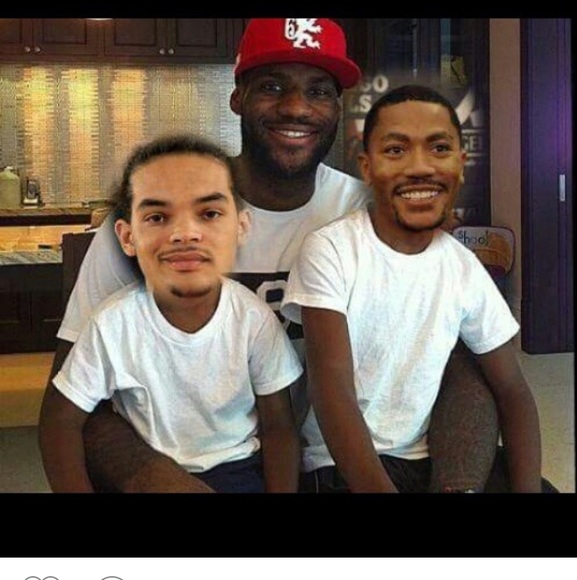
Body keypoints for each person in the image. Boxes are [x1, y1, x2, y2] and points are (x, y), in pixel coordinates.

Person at [47, 18, 500, 493]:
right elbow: (73, 399)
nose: (296, 107)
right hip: (194, 464)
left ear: (338, 107)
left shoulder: (375, 214)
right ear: (237, 97)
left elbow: (460, 362)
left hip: (343, 461)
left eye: (318, 90)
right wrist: (153, 476)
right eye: (272, 86)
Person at [280, 84, 549, 493]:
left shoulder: (461, 267)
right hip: (341, 464)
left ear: (460, 164)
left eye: (439, 148)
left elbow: (512, 389)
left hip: (423, 459)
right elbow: (332, 390)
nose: (420, 167)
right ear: (368, 167)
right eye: (396, 150)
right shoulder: (332, 250)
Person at [39, 135, 303, 493]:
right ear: (128, 237)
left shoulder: (253, 320)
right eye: (158, 217)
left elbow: (279, 427)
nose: (185, 234)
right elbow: (61, 421)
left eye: (209, 214)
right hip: (146, 473)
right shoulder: (112, 325)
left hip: (238, 473)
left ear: (240, 227)